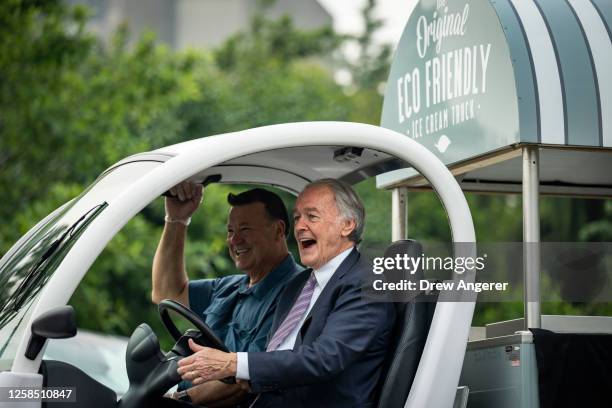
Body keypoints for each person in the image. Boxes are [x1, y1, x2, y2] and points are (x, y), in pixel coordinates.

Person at [176, 178, 396, 407]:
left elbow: (324, 359)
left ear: (347, 225)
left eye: (312, 216)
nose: (300, 226)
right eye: (298, 217)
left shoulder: (368, 283)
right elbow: (273, 360)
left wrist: (232, 363)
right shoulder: (299, 284)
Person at [152, 182, 301, 405]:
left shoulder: (299, 293)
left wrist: (176, 400)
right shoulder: (230, 287)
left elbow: (246, 379)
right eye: (230, 231)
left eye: (245, 229)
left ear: (279, 231)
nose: (234, 240)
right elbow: (166, 292)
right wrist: (176, 219)